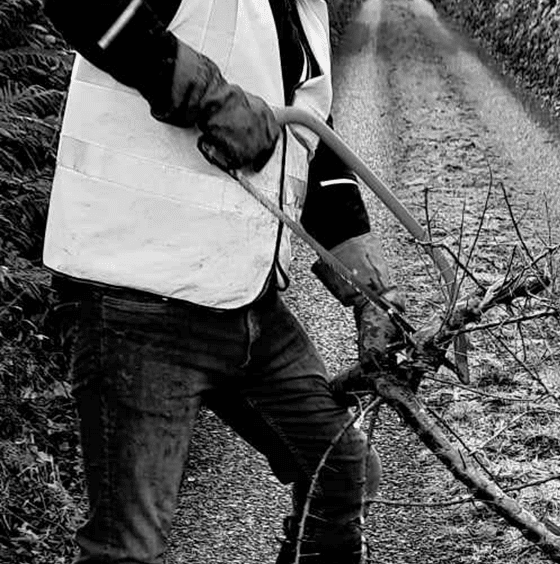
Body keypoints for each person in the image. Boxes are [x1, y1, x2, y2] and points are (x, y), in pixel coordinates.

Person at [41, 0, 400, 562]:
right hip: (139, 301)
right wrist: (208, 95)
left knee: (340, 471)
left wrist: (366, 284)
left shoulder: (303, 10)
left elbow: (308, 137)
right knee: (128, 549)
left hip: (244, 303)